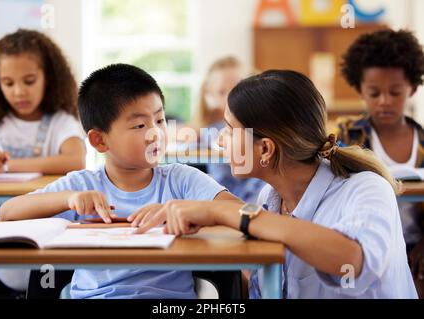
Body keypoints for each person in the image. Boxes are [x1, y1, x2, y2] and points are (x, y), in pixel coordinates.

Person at [134, 69, 418, 298]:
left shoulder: (366, 189)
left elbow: (352, 262)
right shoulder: (269, 198)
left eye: (230, 131)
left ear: (266, 150)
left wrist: (225, 212)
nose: (220, 140)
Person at [0, 63, 240, 299]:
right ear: (99, 141)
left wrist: (185, 211)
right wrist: (68, 199)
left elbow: (240, 212)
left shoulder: (181, 179)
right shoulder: (82, 186)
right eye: (139, 125)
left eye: (159, 120)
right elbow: (7, 213)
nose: (155, 133)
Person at [0, 28, 86, 298]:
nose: (19, 92)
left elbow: (75, 159)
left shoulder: (61, 121)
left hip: (38, 230)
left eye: (29, 80)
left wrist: (7, 166)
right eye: (8, 83)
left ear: (49, 78)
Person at [336, 28, 424, 297]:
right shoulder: (347, 136)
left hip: (415, 243)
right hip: (366, 243)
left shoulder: (422, 141)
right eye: (374, 93)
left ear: (412, 87)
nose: (385, 101)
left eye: (395, 92)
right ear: (360, 89)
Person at [195, 56, 265, 202]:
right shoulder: (208, 130)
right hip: (225, 201)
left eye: (237, 89)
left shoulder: (264, 126)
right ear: (209, 96)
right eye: (221, 92)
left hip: (259, 200)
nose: (230, 97)